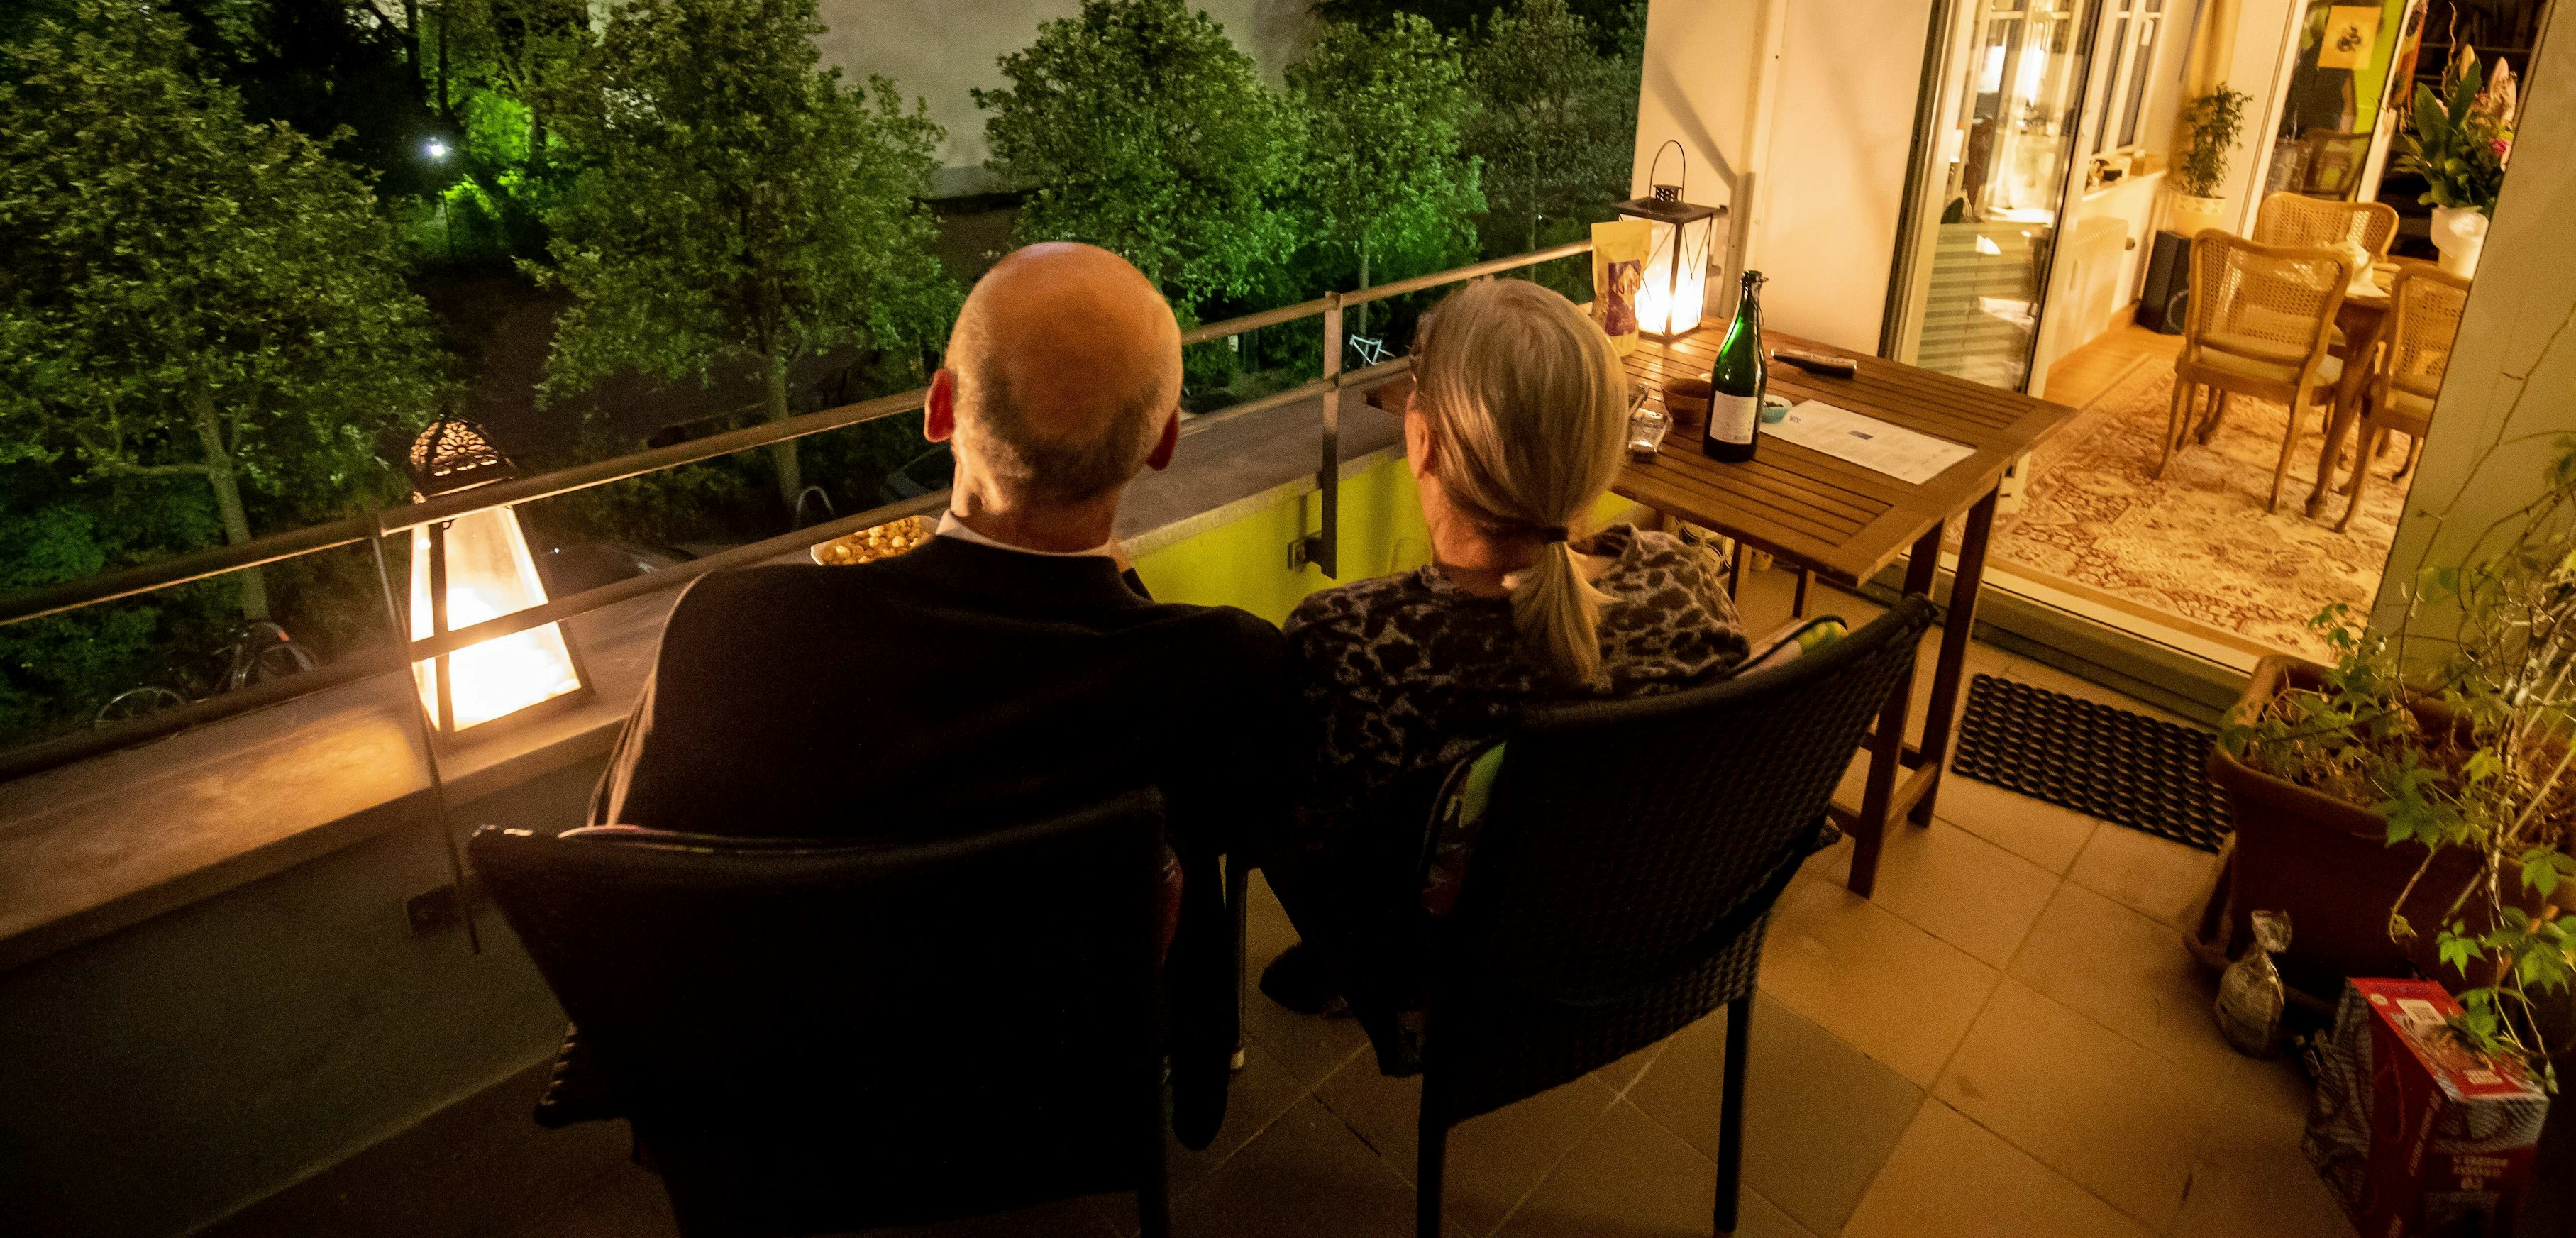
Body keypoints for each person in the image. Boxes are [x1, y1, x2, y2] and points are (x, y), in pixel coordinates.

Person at [593, 242, 1281, 1143]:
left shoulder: (727, 633)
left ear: (940, 408)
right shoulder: (1219, 669)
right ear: (1163, 442)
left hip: (798, 1109)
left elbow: (620, 872)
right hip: (1068, 1094)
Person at [1261, 279, 1749, 1068]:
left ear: (1423, 442)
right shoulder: (1685, 589)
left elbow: (1309, 841)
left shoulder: (1346, 646)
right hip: (1640, 950)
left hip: (1447, 991)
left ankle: (1341, 981)